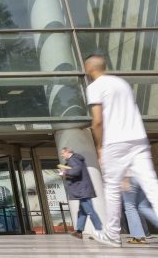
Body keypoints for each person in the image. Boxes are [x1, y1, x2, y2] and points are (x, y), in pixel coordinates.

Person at [85, 53, 158, 248]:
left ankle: (112, 235)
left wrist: (99, 146)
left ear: (89, 68)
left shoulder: (95, 86)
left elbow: (97, 121)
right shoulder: (122, 83)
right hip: (139, 139)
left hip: (115, 142)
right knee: (152, 186)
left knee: (112, 188)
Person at [59, 147, 102, 239]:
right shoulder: (75, 159)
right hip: (82, 189)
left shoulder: (73, 159)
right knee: (82, 211)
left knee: (90, 210)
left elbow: (76, 171)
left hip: (82, 190)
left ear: (67, 152)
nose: (62, 155)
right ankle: (79, 231)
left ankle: (99, 232)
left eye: (63, 153)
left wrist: (65, 172)